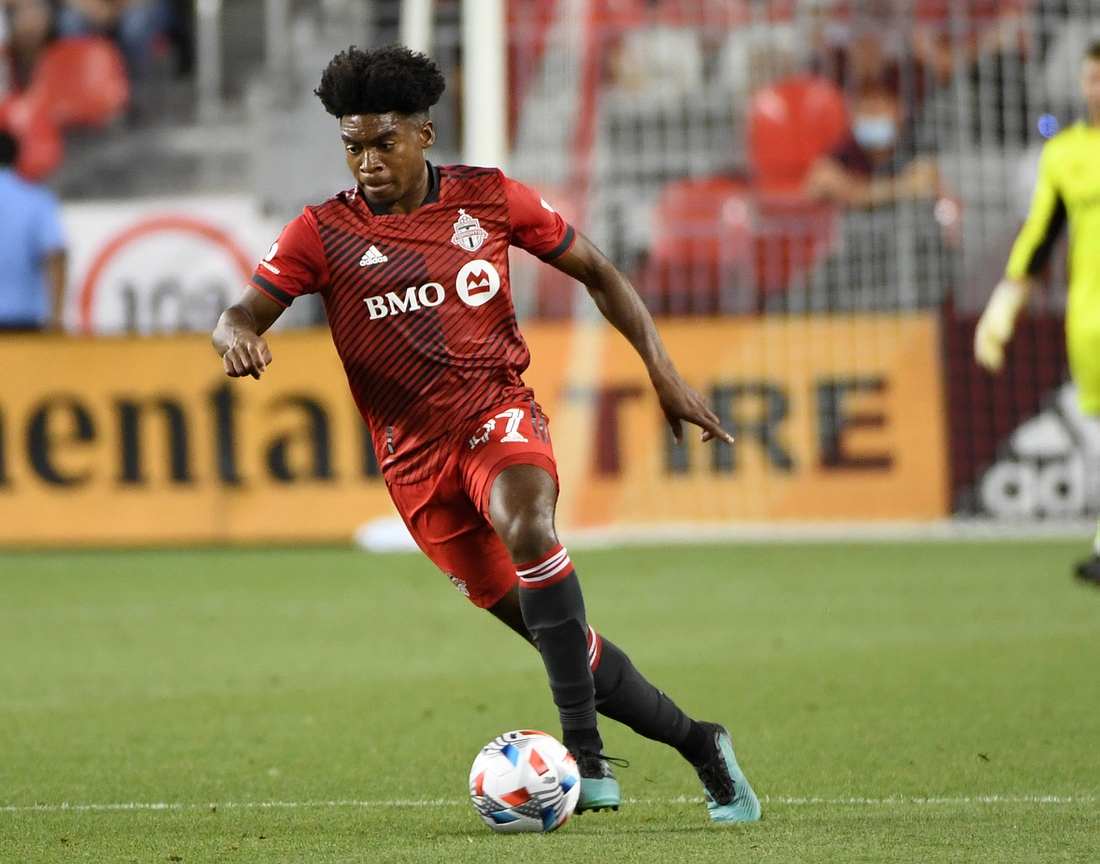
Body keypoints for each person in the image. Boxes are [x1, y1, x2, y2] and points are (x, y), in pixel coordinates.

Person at [212, 45, 761, 824]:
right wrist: (233, 337)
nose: (366, 160)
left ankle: (586, 757)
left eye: (383, 142)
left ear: (425, 135)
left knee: (530, 522)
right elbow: (241, 312)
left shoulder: (489, 200)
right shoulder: (321, 232)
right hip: (414, 467)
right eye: (353, 145)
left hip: (494, 413)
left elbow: (600, 272)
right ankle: (703, 745)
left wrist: (662, 370)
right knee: (563, 639)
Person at [975, 40, 1100, 586]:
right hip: (1090, 317)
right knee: (1096, 435)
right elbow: (1041, 234)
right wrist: (1005, 302)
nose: (1097, 88)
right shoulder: (1064, 153)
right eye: (1092, 77)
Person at [0, 130, 66, 332]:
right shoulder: (36, 200)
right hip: (23, 323)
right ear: (17, 157)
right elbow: (56, 255)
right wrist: (56, 318)